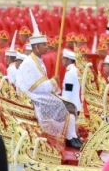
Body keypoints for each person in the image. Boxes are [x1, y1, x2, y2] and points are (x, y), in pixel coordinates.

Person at [16, 10, 81, 149]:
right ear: (36, 47)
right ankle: (69, 138)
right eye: (44, 45)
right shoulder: (28, 63)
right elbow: (33, 87)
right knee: (61, 106)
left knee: (70, 106)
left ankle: (73, 136)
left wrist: (52, 84)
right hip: (33, 97)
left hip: (41, 94)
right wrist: (52, 82)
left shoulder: (39, 60)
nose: (47, 47)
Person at [61, 49, 82, 113]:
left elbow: (68, 90)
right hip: (74, 105)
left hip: (70, 107)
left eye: (63, 58)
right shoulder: (74, 70)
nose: (62, 60)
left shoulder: (70, 72)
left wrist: (64, 106)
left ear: (68, 60)